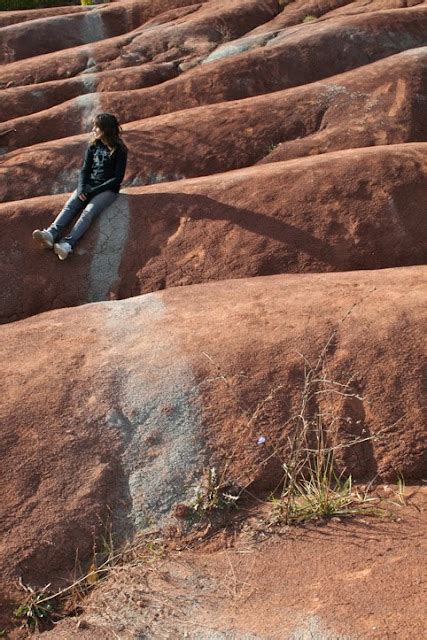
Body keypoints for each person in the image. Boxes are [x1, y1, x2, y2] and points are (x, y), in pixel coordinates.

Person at [32, 112, 128, 260]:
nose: (93, 129)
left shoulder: (120, 150)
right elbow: (84, 170)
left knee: (88, 212)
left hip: (108, 189)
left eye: (96, 127)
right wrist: (82, 188)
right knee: (71, 205)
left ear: (105, 129)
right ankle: (51, 234)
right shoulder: (93, 146)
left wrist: (93, 191)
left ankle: (67, 244)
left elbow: (117, 178)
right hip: (88, 186)